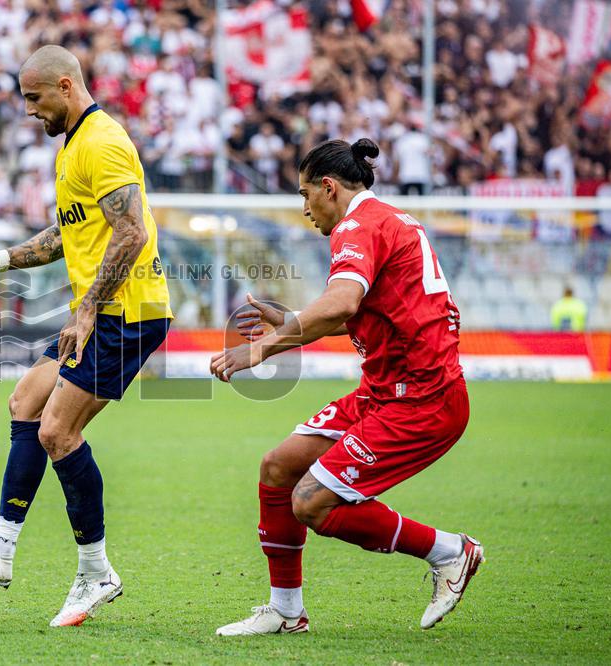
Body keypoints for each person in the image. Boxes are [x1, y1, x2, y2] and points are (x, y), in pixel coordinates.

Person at [211, 138, 483, 636]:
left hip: (422, 400)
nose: (305, 209)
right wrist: (291, 319)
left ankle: (450, 552)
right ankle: (286, 611)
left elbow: (339, 305)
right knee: (279, 467)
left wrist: (263, 347)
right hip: (384, 392)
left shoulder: (357, 227)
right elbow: (363, 311)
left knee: (312, 501)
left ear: (329, 187)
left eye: (304, 194)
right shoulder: (387, 220)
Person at [0, 45, 172, 628]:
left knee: (57, 432)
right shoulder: (73, 146)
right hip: (98, 309)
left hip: (127, 312)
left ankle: (96, 571)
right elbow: (65, 235)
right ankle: (0, 548)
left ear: (66, 86)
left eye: (34, 98)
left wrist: (89, 308)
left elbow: (131, 231)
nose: (28, 111)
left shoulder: (104, 142)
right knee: (24, 403)